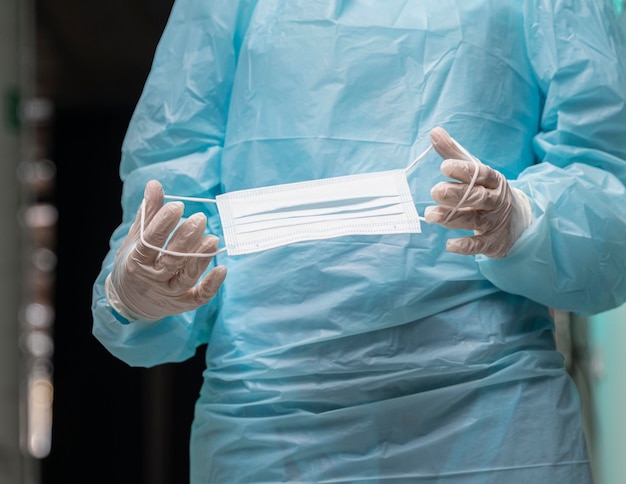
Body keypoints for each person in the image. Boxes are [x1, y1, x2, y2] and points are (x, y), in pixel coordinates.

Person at [92, 1, 626, 482]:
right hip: (269, 420)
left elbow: (602, 171)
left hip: (492, 413)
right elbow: (172, 181)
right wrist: (140, 290)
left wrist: (523, 218)